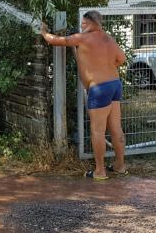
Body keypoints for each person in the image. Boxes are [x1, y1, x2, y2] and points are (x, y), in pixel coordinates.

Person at [40, 10, 127, 180]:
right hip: (114, 84)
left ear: (93, 23)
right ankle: (120, 166)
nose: (81, 25)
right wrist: (104, 65)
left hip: (99, 89)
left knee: (97, 131)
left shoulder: (82, 38)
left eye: (84, 23)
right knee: (116, 128)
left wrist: (43, 31)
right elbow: (122, 59)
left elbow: (55, 40)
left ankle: (100, 171)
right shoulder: (108, 38)